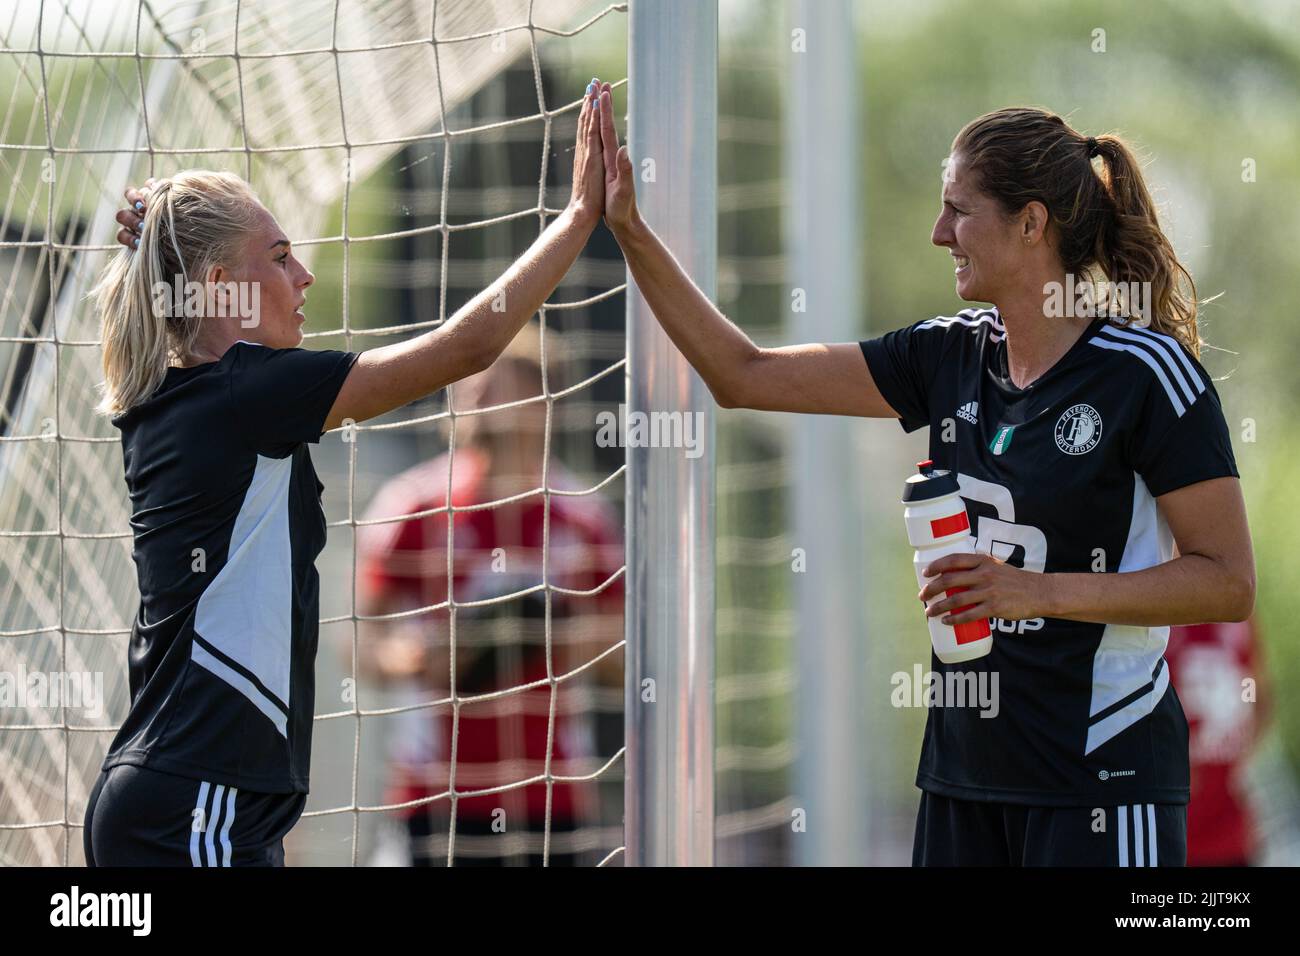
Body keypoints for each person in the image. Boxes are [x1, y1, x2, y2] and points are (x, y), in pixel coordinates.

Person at [591, 85, 1255, 867]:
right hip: (962, 783)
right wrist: (628, 232)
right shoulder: (946, 356)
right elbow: (744, 374)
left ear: (1032, 222)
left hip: (1103, 783)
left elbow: (1226, 583)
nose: (939, 233)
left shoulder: (1146, 374)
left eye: (959, 209)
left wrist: (1037, 592)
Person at [82, 78, 609, 867]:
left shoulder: (197, 391)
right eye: (282, 256)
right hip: (199, 802)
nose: (306, 277)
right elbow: (463, 350)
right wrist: (576, 220)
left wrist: (169, 234)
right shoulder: (247, 390)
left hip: (194, 800)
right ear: (221, 286)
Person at [352, 324, 624, 866]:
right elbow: (358, 645)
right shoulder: (413, 508)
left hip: (551, 793)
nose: (470, 395)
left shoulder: (584, 518)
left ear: (541, 401)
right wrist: (418, 659)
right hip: (435, 792)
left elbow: (622, 653)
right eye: (465, 383)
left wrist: (538, 638)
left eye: (493, 383)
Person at [1165, 616, 1267, 866]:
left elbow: (1253, 687)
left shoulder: (1239, 618)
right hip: (1172, 829)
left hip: (1230, 828)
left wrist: (1245, 717)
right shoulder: (1162, 615)